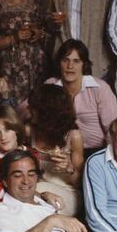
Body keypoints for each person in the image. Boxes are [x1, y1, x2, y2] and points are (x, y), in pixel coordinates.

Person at [45, 39, 117, 158]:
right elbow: (28, 110)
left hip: (95, 152)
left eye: (76, 61)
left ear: (84, 64)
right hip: (61, 152)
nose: (70, 66)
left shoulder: (100, 88)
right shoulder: (50, 85)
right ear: (59, 63)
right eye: (65, 60)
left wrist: (108, 159)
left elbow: (113, 130)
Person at [29, 84, 85, 217]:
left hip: (67, 192)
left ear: (46, 111)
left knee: (32, 195)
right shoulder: (29, 132)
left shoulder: (74, 136)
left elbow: (79, 182)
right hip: (37, 188)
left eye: (33, 107)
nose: (28, 108)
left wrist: (68, 168)